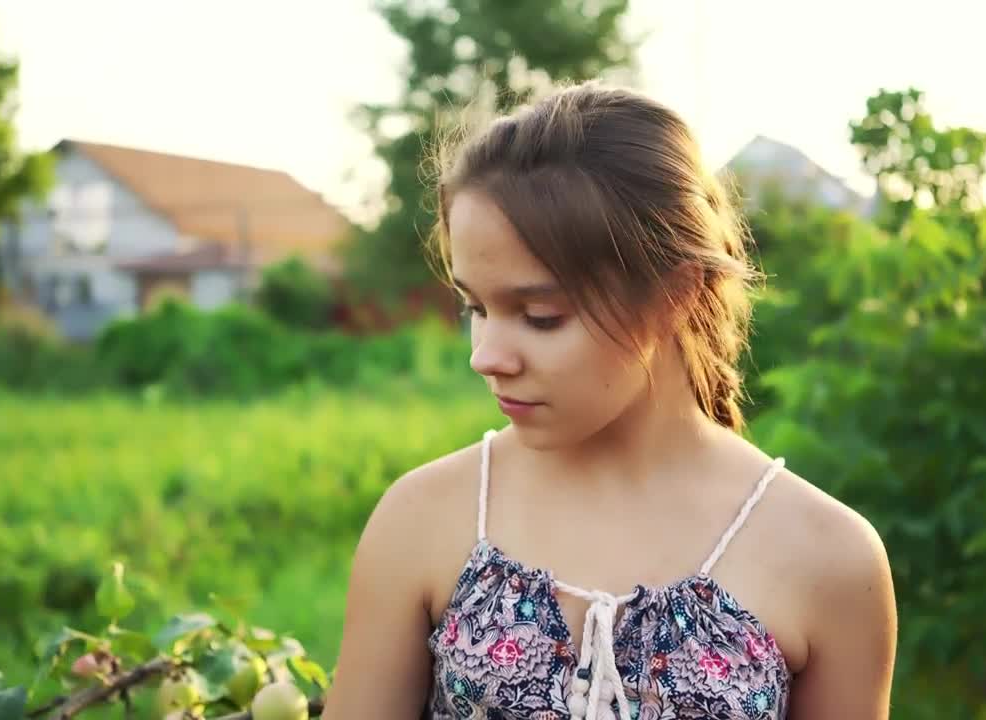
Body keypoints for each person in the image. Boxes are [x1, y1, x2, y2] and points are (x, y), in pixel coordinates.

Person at [323, 82, 897, 720]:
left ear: (675, 294)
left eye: (540, 316)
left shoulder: (831, 558)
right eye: (476, 307)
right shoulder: (424, 517)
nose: (485, 356)